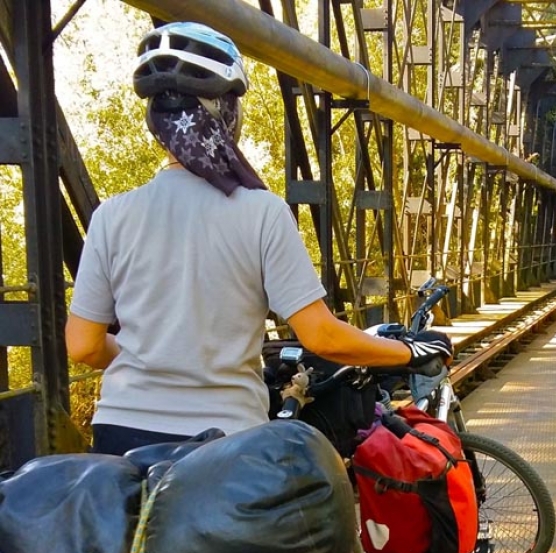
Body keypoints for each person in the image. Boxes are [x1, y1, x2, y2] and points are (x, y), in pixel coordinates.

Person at [65, 21, 452, 455]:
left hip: (120, 437)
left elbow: (83, 345)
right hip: (224, 446)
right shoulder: (261, 212)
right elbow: (322, 337)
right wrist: (408, 351)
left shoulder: (111, 216)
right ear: (226, 114)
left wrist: (155, 361)